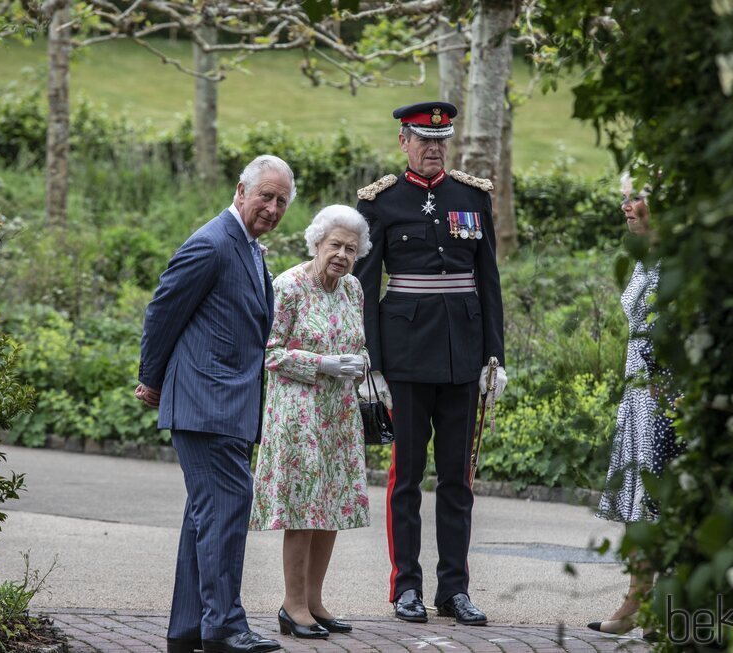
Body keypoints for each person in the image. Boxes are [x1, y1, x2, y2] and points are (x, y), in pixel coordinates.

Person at [352, 101, 507, 626]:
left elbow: (489, 284)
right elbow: (366, 287)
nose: (434, 147)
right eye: (423, 138)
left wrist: (494, 357)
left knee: (458, 479)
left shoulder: (472, 197)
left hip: (463, 356)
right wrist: (372, 364)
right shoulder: (381, 202)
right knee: (407, 479)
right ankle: (406, 588)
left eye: (441, 139)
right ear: (404, 141)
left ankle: (454, 590)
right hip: (406, 359)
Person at [135, 155, 295, 653]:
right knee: (227, 506)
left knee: (205, 515)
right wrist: (151, 380)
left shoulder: (247, 247)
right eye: (265, 196)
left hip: (228, 403)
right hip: (205, 403)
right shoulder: (211, 242)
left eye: (281, 201)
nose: (271, 207)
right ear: (240, 190)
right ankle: (224, 626)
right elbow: (163, 309)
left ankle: (188, 630)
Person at [249, 204, 373, 640]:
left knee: (332, 506)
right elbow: (269, 352)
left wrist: (359, 363)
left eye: (351, 249)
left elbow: (357, 343)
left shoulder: (353, 289)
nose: (342, 254)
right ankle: (292, 604)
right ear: (317, 242)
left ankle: (315, 601)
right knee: (303, 508)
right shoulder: (288, 286)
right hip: (299, 414)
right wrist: (321, 363)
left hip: (339, 415)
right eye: (335, 245)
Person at [588, 174, 680, 638]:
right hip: (640, 395)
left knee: (662, 502)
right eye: (624, 198)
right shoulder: (647, 258)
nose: (627, 206)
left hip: (668, 398)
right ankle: (638, 602)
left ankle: (663, 606)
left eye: (637, 198)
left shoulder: (679, 263)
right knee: (640, 506)